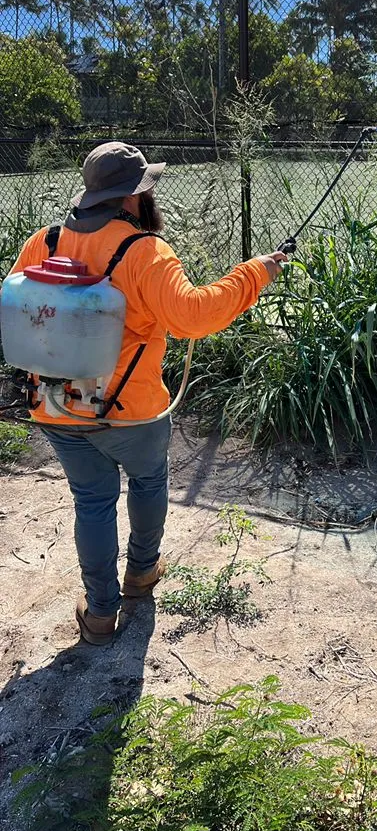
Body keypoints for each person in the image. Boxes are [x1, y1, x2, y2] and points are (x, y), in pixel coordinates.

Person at [9, 141, 287, 645]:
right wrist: (256, 272)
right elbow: (194, 316)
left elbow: (22, 309)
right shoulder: (145, 253)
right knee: (148, 480)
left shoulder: (43, 242)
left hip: (54, 404)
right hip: (130, 412)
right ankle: (140, 575)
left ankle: (99, 615)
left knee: (91, 502)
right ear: (134, 197)